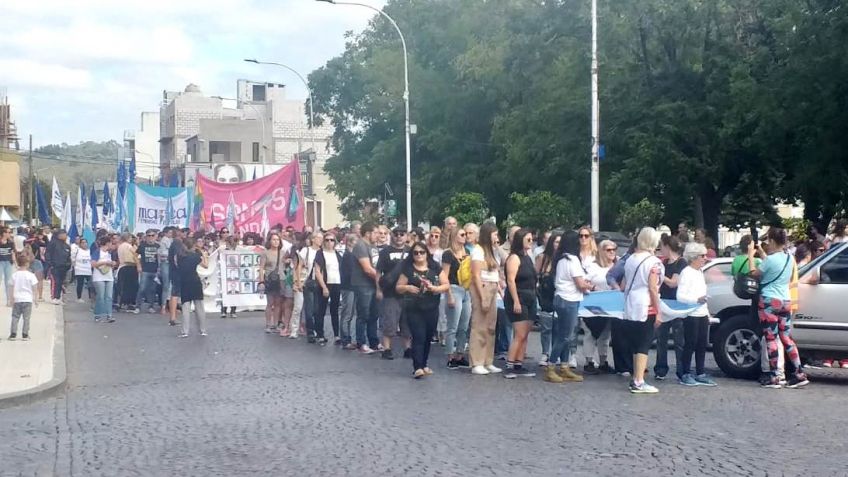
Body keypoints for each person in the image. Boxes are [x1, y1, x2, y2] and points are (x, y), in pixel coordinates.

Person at [748, 227, 809, 388]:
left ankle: (775, 376)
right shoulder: (790, 258)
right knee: (786, 338)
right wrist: (761, 251)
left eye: (768, 241)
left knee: (771, 337)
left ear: (773, 241)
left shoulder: (770, 260)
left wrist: (750, 255)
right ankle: (799, 373)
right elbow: (773, 265)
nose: (767, 243)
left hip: (769, 301)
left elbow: (754, 273)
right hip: (785, 300)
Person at [395, 241, 449, 378]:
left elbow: (446, 284)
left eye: (421, 252)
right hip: (414, 307)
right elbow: (398, 287)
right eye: (415, 253)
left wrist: (435, 288)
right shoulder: (408, 269)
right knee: (418, 336)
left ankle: (424, 364)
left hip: (431, 306)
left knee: (427, 337)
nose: (419, 255)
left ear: (426, 253)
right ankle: (417, 367)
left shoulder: (434, 267)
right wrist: (407, 288)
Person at [621, 227, 664, 394]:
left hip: (630, 303)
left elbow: (624, 284)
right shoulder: (653, 262)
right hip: (646, 305)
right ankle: (639, 380)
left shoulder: (631, 259)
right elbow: (653, 288)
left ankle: (636, 377)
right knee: (643, 344)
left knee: (636, 343)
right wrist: (659, 310)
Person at [548, 231, 592, 383]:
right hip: (569, 300)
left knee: (564, 335)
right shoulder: (573, 260)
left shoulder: (561, 259)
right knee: (565, 336)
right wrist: (589, 286)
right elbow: (580, 284)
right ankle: (551, 366)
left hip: (561, 298)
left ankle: (564, 366)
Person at [675, 242, 717, 386]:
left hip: (701, 313)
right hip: (691, 314)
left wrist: (707, 312)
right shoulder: (686, 272)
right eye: (702, 256)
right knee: (690, 343)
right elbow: (680, 296)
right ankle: (685, 373)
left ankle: (700, 372)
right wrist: (695, 300)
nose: (705, 258)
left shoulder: (699, 272)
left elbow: (702, 294)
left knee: (701, 344)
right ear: (693, 257)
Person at [503, 229, 538, 379]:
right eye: (528, 240)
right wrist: (516, 300)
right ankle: (510, 364)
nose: (531, 242)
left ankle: (519, 363)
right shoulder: (514, 258)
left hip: (530, 297)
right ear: (520, 240)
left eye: (532, 240)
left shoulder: (528, 257)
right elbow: (510, 280)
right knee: (520, 333)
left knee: (526, 334)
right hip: (518, 297)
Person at [468, 222, 502, 375]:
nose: (497, 237)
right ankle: (477, 361)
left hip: (493, 287)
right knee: (479, 325)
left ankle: (488, 360)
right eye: (494, 234)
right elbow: (475, 275)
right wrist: (482, 298)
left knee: (491, 326)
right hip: (483, 287)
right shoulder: (478, 250)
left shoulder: (493, 250)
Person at [582, 239, 617, 374]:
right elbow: (584, 281)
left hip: (611, 304)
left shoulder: (617, 266)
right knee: (590, 332)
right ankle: (589, 361)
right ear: (601, 251)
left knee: (606, 334)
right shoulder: (593, 266)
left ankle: (603, 361)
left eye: (614, 249)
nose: (612, 252)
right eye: (608, 250)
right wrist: (594, 287)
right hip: (593, 303)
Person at [653, 235, 686, 380]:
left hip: (676, 304)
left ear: (668, 247)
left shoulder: (681, 263)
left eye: (662, 246)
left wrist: (661, 275)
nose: (661, 250)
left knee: (679, 340)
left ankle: (681, 370)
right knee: (661, 339)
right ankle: (660, 369)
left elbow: (674, 282)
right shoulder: (663, 262)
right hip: (664, 303)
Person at [375, 226, 409, 359]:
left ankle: (408, 348)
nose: (399, 236)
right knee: (389, 322)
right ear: (392, 236)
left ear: (406, 236)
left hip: (408, 292)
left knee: (407, 323)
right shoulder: (385, 252)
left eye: (402, 234)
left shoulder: (412, 251)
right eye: (396, 234)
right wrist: (378, 289)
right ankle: (387, 349)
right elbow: (378, 272)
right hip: (390, 292)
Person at [442, 227, 471, 369]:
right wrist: (449, 295)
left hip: (466, 290)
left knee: (464, 326)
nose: (465, 236)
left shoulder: (467, 253)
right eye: (462, 234)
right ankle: (450, 356)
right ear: (454, 236)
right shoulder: (448, 254)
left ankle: (460, 354)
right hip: (453, 288)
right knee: (452, 326)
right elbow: (445, 276)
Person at [351, 223, 381, 354]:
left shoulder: (373, 246)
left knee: (374, 314)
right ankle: (361, 342)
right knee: (363, 314)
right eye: (375, 233)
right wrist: (383, 278)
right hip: (363, 284)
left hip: (374, 284)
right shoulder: (360, 246)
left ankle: (374, 341)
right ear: (368, 233)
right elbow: (367, 268)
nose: (378, 236)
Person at [534, 232, 560, 367]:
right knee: (546, 327)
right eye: (556, 242)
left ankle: (556, 354)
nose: (558, 245)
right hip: (545, 296)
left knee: (558, 327)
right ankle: (545, 353)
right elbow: (535, 276)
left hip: (559, 295)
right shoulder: (542, 258)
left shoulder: (563, 259)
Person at [313, 232, 343, 345]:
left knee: (334, 310)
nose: (329, 242)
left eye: (332, 240)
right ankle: (320, 334)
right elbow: (317, 271)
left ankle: (336, 335)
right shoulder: (320, 254)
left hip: (336, 283)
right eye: (327, 240)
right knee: (321, 310)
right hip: (325, 283)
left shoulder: (337, 254)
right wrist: (324, 287)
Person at [176, 237, 209, 338]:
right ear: (193, 246)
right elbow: (206, 266)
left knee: (186, 307)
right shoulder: (196, 256)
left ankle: (185, 331)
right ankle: (202, 330)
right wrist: (204, 255)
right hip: (195, 281)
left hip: (184, 282)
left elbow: (177, 266)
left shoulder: (179, 256)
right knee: (199, 307)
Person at [259, 233, 286, 334]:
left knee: (278, 303)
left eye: (277, 240)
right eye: (274, 239)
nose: (276, 242)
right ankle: (268, 324)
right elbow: (261, 268)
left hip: (281, 279)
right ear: (269, 241)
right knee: (270, 303)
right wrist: (261, 281)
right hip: (270, 280)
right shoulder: (265, 253)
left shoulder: (283, 253)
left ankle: (275, 324)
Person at [298, 231, 322, 342]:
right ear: (313, 239)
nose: (321, 240)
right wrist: (298, 281)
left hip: (321, 282)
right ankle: (310, 332)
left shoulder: (323, 252)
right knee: (309, 308)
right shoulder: (306, 250)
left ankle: (318, 331)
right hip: (309, 281)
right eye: (318, 238)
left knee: (318, 309)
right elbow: (299, 266)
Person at [8, 253, 38, 341]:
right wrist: (35, 299)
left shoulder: (14, 275)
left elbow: (11, 287)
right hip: (27, 299)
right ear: (27, 264)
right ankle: (25, 334)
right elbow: (34, 288)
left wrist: (11, 299)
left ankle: (13, 334)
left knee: (15, 317)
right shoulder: (31, 275)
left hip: (17, 299)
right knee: (26, 318)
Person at [90, 236, 116, 323]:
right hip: (98, 277)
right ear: (107, 243)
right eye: (111, 243)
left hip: (109, 276)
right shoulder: (97, 252)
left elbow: (114, 263)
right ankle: (98, 315)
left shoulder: (110, 253)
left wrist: (112, 263)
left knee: (109, 297)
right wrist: (105, 262)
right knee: (100, 296)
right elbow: (93, 264)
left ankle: (109, 315)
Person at [339, 234, 358, 349]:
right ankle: (345, 340)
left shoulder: (350, 255)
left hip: (350, 287)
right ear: (350, 242)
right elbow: (351, 272)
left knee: (349, 313)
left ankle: (347, 338)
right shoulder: (349, 256)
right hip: (348, 287)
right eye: (356, 241)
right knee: (347, 313)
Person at [45, 229, 72, 305]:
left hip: (64, 267)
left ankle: (58, 297)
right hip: (55, 266)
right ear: (59, 235)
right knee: (55, 282)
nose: (65, 236)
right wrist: (50, 264)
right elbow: (47, 254)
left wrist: (68, 264)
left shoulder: (66, 246)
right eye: (64, 234)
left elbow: (68, 256)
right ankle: (54, 297)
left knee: (60, 282)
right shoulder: (53, 243)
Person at [135, 230, 160, 314]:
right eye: (149, 236)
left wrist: (159, 269)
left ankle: (151, 306)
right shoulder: (142, 246)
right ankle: (137, 306)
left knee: (152, 289)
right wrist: (138, 265)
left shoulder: (158, 246)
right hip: (145, 270)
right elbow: (136, 256)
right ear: (146, 237)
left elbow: (160, 258)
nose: (150, 237)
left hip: (154, 270)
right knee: (142, 288)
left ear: (155, 236)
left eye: (152, 235)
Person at [116, 233, 139, 313]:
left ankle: (122, 303)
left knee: (124, 286)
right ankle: (129, 303)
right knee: (131, 286)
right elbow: (136, 255)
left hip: (122, 267)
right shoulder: (128, 246)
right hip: (130, 266)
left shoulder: (120, 246)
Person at [219, 236, 238, 319]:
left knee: (234, 292)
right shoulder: (223, 251)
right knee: (225, 293)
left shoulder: (237, 251)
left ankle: (233, 311)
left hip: (234, 274)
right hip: (225, 275)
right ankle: (224, 310)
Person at [0, 227, 18, 306]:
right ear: (3, 233)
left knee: (8, 282)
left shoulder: (11, 242)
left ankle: (8, 300)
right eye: (8, 232)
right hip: (0, 262)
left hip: (8, 262)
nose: (9, 234)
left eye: (10, 232)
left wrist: (16, 264)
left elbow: (13, 253)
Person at [72, 238, 93, 303]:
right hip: (80, 270)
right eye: (82, 242)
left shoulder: (90, 251)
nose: (84, 244)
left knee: (90, 284)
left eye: (85, 242)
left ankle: (91, 297)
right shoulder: (77, 250)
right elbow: (73, 259)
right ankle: (79, 297)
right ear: (80, 244)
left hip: (88, 270)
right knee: (80, 284)